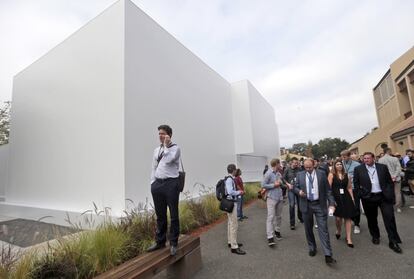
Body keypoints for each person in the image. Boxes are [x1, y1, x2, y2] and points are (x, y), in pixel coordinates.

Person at [353, 152, 403, 254]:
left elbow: (389, 181)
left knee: (389, 219)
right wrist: (362, 194)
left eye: (368, 158)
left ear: (373, 158)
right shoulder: (358, 169)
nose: (366, 160)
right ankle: (375, 236)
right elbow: (356, 183)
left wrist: (389, 194)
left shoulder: (382, 167)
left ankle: (393, 241)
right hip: (368, 198)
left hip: (383, 197)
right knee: (371, 219)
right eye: (364, 158)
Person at [293, 159, 337, 265]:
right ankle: (312, 247)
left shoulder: (321, 174)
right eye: (306, 167)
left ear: (314, 165)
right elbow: (295, 187)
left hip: (319, 205)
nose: (308, 169)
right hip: (306, 204)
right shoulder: (300, 175)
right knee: (308, 228)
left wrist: (331, 203)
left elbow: (328, 190)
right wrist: (299, 191)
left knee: (323, 229)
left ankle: (328, 254)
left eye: (310, 167)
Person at [147, 125, 182, 256]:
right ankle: (160, 241)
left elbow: (169, 160)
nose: (160, 136)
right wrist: (152, 183)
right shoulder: (156, 150)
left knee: (173, 215)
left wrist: (166, 146)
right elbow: (154, 167)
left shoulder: (175, 149)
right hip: (158, 185)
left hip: (171, 184)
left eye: (163, 134)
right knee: (160, 215)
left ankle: (173, 243)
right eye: (159, 134)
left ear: (169, 135)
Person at [328, 160, 357, 248]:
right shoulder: (331, 175)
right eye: (337, 164)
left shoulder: (346, 175)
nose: (339, 165)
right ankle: (339, 229)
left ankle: (348, 238)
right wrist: (331, 201)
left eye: (341, 164)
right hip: (336, 199)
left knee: (348, 218)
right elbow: (328, 190)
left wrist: (352, 199)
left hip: (346, 198)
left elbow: (349, 188)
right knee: (338, 218)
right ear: (334, 166)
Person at [225, 164, 246, 255]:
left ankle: (231, 242)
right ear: (233, 170)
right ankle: (234, 246)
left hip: (228, 202)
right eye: (235, 170)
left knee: (230, 223)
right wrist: (239, 192)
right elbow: (230, 191)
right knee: (234, 224)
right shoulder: (230, 180)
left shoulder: (227, 178)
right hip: (231, 203)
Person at [262, 158, 284, 246]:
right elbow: (263, 185)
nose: (281, 165)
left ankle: (277, 231)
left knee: (279, 216)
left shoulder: (278, 173)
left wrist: (282, 183)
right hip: (271, 198)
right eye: (280, 164)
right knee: (270, 217)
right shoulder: (268, 173)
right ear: (276, 164)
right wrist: (274, 185)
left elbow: (281, 182)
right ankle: (270, 237)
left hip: (279, 197)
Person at [341, 150, 361, 234]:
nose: (343, 158)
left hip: (354, 188)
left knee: (356, 206)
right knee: (347, 206)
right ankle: (351, 219)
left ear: (349, 156)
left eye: (344, 156)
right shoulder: (341, 164)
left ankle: (357, 224)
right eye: (342, 156)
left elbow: (360, 177)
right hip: (344, 189)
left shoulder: (357, 165)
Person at [379, 148, 403, 213]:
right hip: (396, 178)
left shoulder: (380, 160)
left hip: (387, 179)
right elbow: (399, 168)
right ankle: (398, 207)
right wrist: (394, 176)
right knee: (397, 193)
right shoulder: (395, 159)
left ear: (384, 152)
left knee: (388, 192)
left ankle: (389, 206)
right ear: (389, 151)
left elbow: (381, 171)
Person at [283, 157, 303, 230]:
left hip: (298, 189)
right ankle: (292, 223)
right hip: (291, 190)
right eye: (295, 163)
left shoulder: (299, 169)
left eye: (297, 163)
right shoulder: (287, 169)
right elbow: (283, 178)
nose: (296, 164)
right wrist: (287, 184)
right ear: (291, 162)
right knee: (291, 205)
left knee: (300, 205)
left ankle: (300, 218)